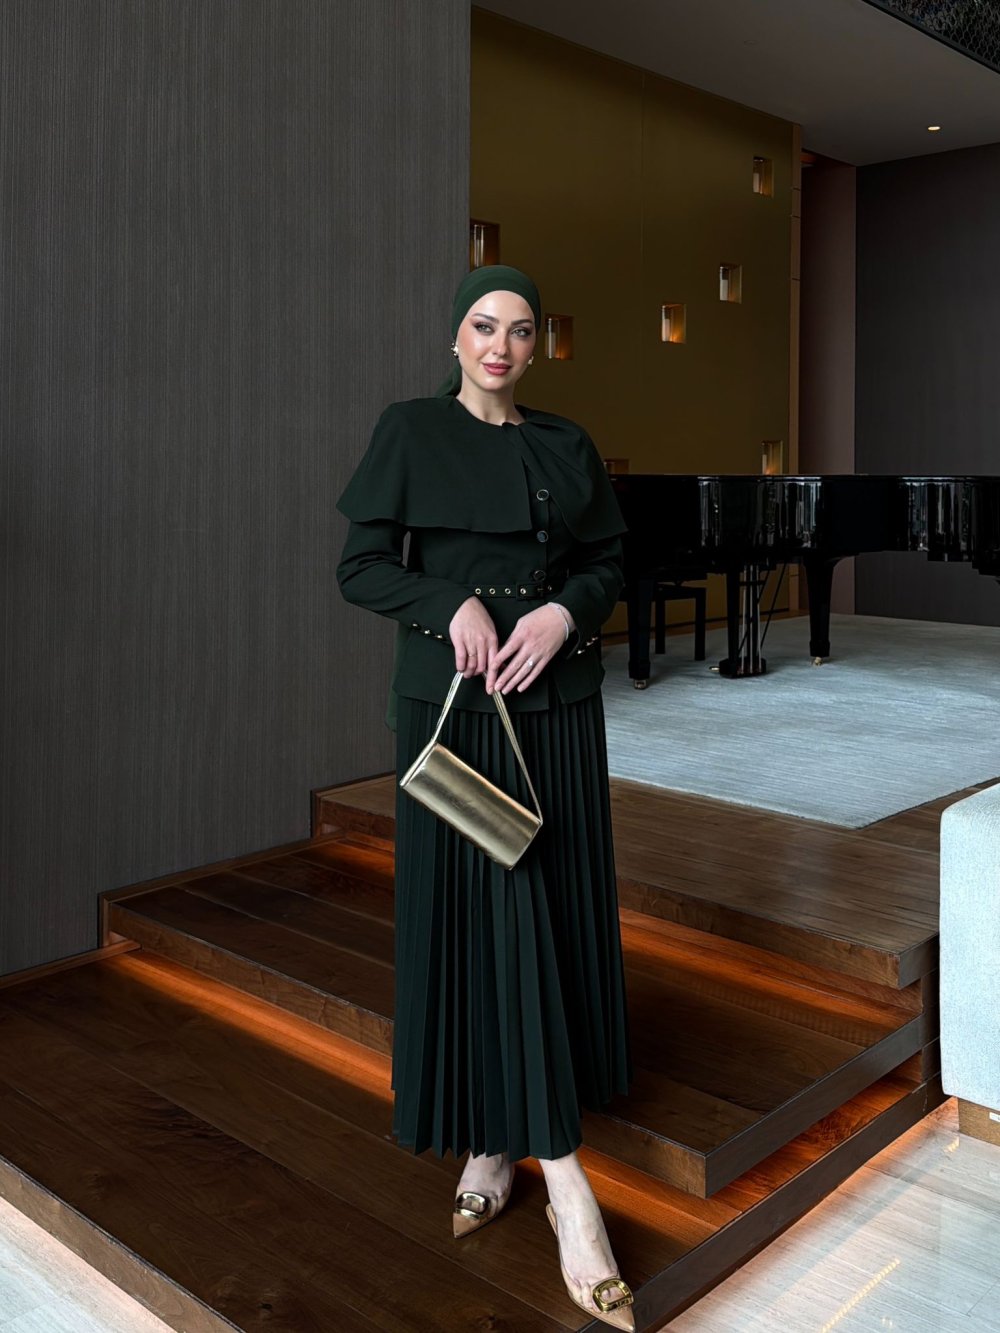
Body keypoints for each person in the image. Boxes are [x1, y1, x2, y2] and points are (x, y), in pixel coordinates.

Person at [336, 263, 635, 1329]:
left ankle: (505, 1146)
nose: (499, 345)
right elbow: (361, 567)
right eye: (481, 326)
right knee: (483, 919)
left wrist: (562, 615)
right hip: (456, 715)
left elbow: (607, 563)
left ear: (537, 344)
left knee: (544, 910)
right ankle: (562, 1183)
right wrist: (447, 603)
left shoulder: (566, 444)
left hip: (556, 711)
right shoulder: (410, 429)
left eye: (518, 330)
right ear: (455, 338)